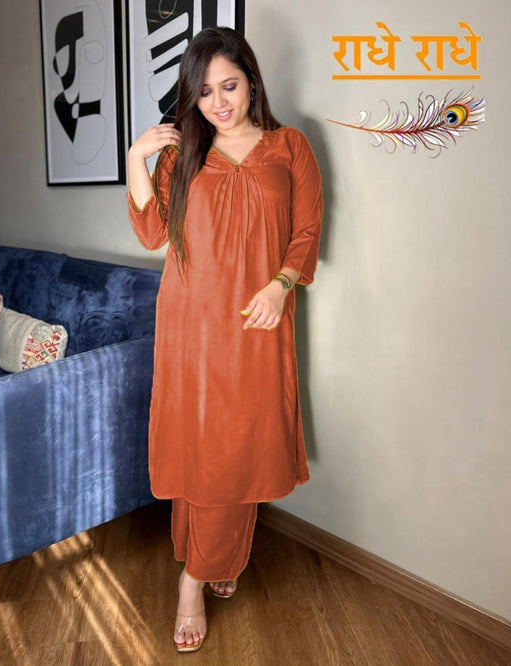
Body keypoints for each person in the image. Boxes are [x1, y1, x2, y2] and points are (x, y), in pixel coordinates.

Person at [126, 26, 323, 653]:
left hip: (255, 323)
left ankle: (206, 564)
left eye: (229, 86)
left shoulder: (290, 148)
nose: (219, 102)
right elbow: (152, 234)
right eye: (205, 92)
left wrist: (281, 287)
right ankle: (201, 571)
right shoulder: (182, 156)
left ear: (252, 82)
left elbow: (306, 232)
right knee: (200, 446)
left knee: (238, 447)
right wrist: (136, 160)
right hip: (190, 323)